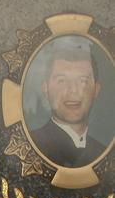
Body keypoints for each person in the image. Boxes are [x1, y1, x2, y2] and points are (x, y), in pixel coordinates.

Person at [30, 39, 105, 168]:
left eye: (82, 80)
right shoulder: (30, 146)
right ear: (45, 89)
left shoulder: (105, 153)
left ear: (96, 90)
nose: (73, 90)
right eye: (62, 81)